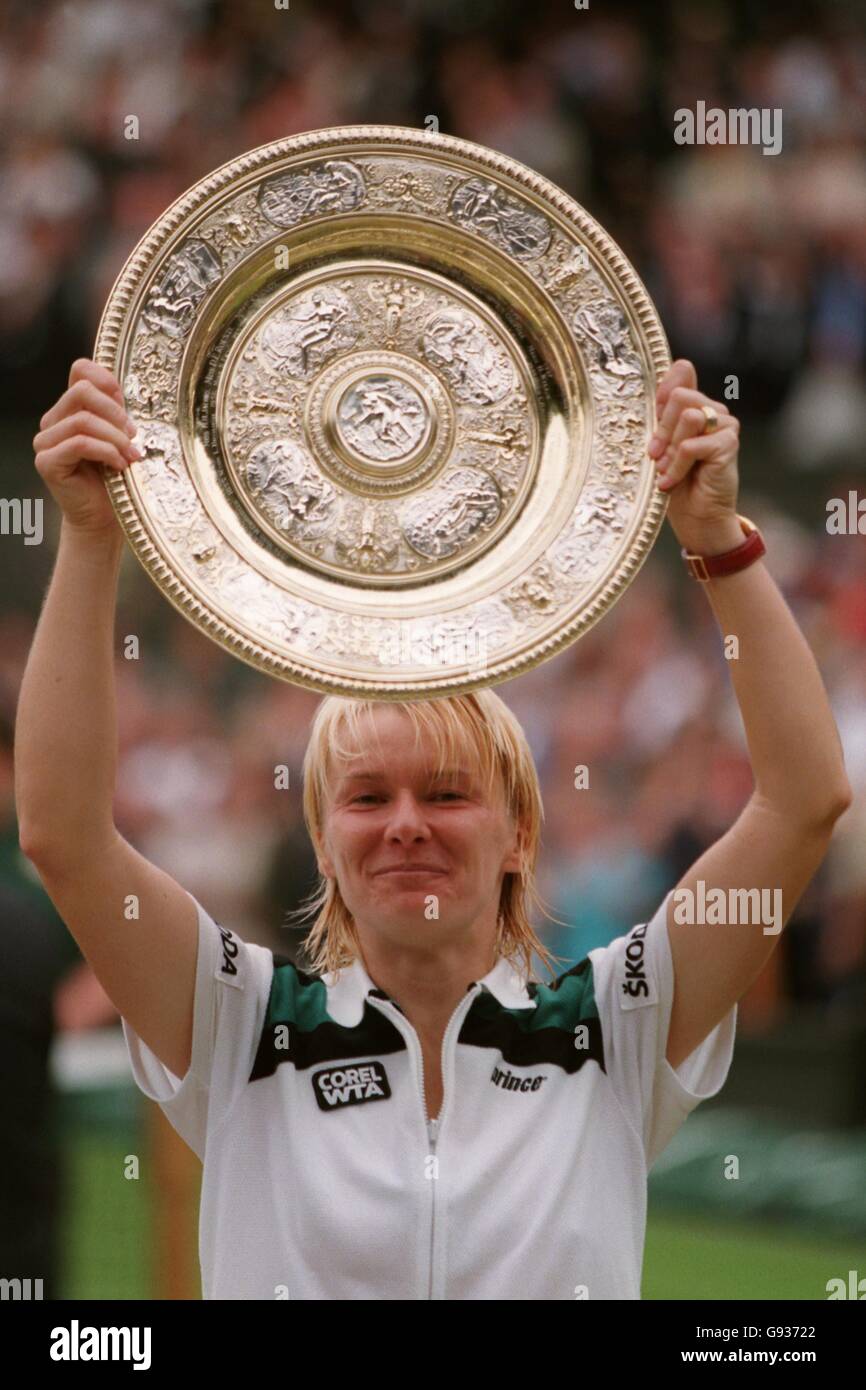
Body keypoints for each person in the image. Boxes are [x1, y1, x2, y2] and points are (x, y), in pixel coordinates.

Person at [15, 357, 851, 1300]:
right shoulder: (241, 1023)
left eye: (448, 794)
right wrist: (88, 538)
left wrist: (717, 545)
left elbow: (803, 801)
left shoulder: (614, 1025)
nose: (406, 826)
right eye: (368, 798)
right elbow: (64, 835)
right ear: (325, 844)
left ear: (520, 837)